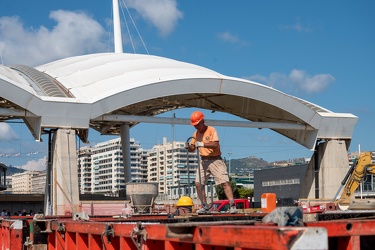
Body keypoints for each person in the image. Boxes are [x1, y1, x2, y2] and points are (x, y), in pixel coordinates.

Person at [187, 110, 237, 214]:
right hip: (203, 160)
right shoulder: (195, 134)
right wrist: (189, 146)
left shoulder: (211, 130)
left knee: (224, 182)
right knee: (198, 184)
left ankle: (232, 205)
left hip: (215, 160)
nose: (196, 127)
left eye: (197, 125)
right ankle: (205, 206)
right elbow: (192, 148)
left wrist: (202, 144)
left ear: (202, 121)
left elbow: (215, 145)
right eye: (195, 125)